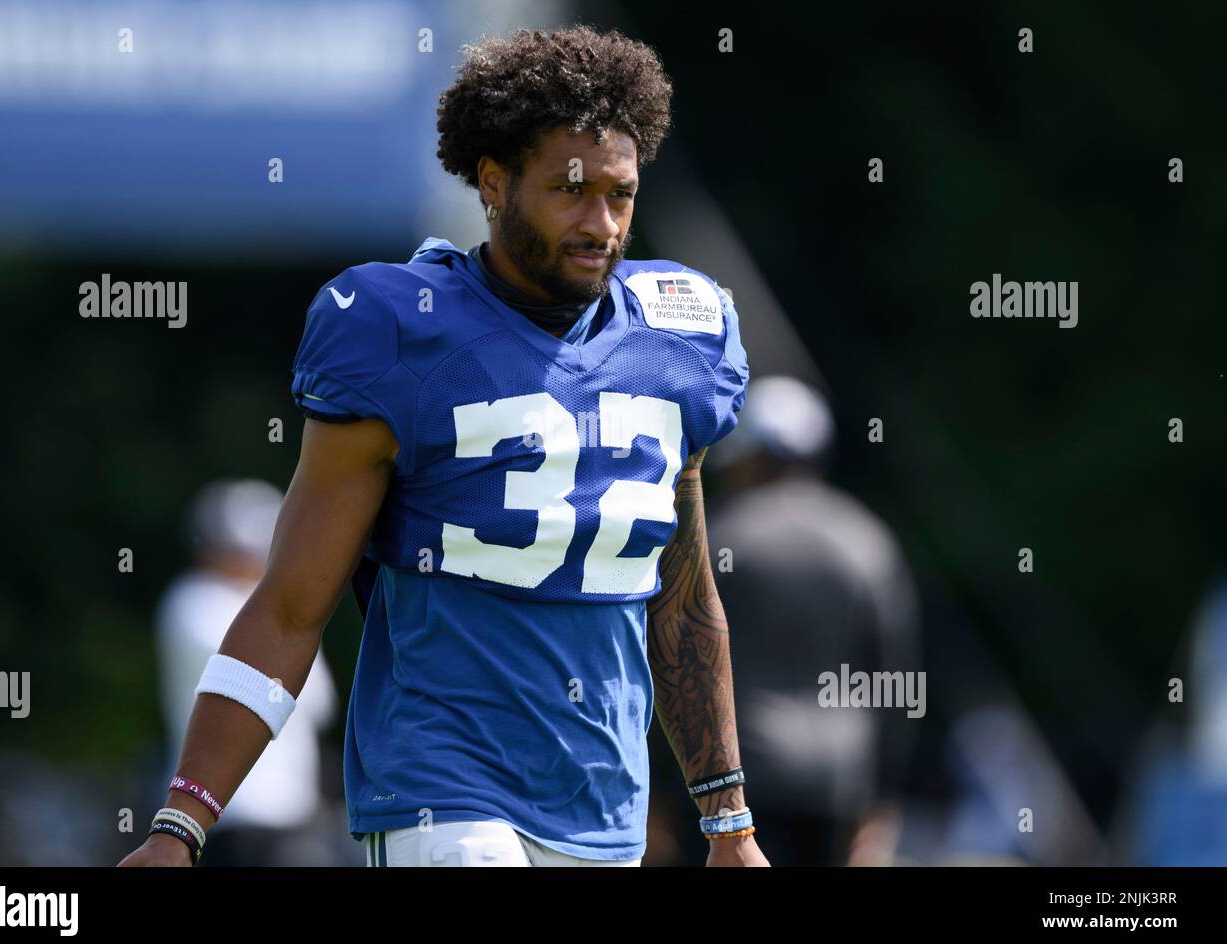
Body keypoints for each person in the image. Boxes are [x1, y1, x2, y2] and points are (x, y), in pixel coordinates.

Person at [120, 25, 767, 868]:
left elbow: (681, 602)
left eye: (621, 194)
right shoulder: (401, 331)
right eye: (571, 192)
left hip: (603, 801)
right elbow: (289, 604)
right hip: (442, 788)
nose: (601, 224)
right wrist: (181, 822)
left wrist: (729, 824)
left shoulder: (678, 336)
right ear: (494, 183)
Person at [706, 376, 921, 865]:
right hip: (839, 784)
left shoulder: (719, 537)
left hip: (732, 786)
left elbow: (675, 662)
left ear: (750, 457)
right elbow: (896, 678)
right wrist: (884, 800)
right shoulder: (867, 538)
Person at [155, 479, 338, 865]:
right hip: (222, 811)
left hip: (290, 807)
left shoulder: (281, 615)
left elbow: (320, 703)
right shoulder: (192, 601)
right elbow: (262, 676)